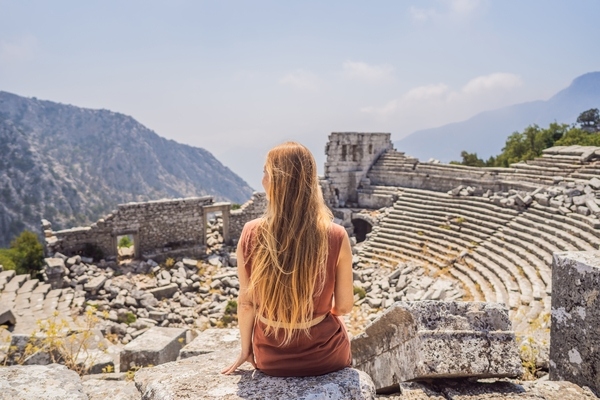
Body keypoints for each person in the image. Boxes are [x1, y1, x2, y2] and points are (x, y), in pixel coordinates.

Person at [221, 141, 354, 377]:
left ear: (277, 181)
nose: (262, 179)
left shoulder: (250, 233)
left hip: (271, 358)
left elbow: (246, 303)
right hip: (327, 356)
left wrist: (245, 350)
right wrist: (316, 313)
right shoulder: (336, 235)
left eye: (265, 172)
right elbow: (343, 307)